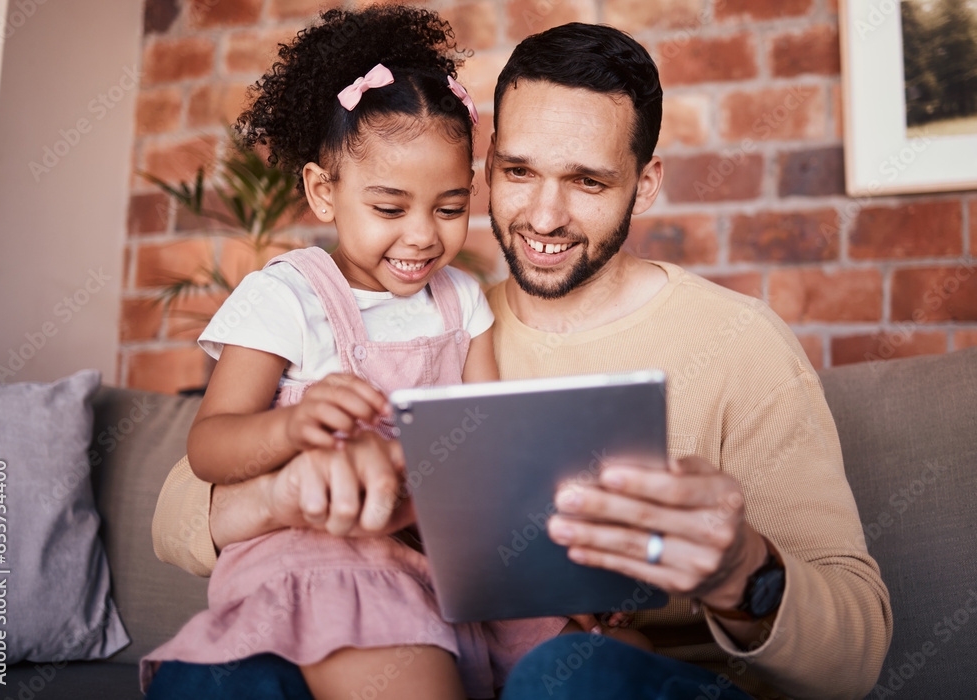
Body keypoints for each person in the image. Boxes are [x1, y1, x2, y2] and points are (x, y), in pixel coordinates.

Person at [150, 20, 893, 700]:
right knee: (226, 681)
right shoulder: (442, 311)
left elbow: (855, 659)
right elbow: (181, 503)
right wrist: (285, 496)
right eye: (517, 172)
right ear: (486, 169)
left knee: (565, 676)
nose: (543, 216)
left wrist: (741, 573)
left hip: (609, 673)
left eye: (587, 181)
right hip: (418, 623)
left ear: (647, 182)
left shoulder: (742, 343)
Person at [140, 7, 602, 699]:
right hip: (316, 558)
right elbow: (210, 447)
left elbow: (488, 456)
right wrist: (293, 428)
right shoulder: (286, 297)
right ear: (323, 193)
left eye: (449, 208)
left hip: (434, 557)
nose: (421, 237)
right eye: (390, 208)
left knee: (603, 648)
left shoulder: (462, 303)